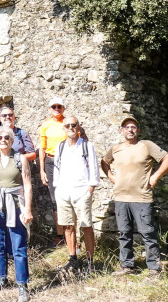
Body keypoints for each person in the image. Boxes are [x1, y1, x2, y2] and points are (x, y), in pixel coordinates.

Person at [102, 117, 168, 277]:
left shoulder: (147, 145)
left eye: (133, 127)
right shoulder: (116, 148)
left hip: (142, 198)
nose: (130, 129)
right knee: (124, 234)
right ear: (121, 130)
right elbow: (104, 162)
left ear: (138, 130)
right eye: (127, 127)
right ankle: (127, 266)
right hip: (121, 198)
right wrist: (112, 178)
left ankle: (154, 269)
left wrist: (155, 177)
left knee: (147, 233)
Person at [0, 127, 32, 301]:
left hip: (16, 206)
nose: (3, 139)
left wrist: (28, 209)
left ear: (12, 140)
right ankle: (1, 279)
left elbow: (27, 185)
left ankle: (22, 285)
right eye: (0, 137)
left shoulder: (20, 158)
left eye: (7, 137)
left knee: (18, 246)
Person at [54, 116, 99, 273]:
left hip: (82, 192)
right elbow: (57, 169)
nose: (71, 127)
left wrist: (90, 190)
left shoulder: (87, 146)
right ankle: (73, 259)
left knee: (86, 226)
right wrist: (57, 188)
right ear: (64, 128)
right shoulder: (59, 147)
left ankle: (90, 262)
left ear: (78, 127)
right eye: (67, 125)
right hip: (63, 192)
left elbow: (94, 168)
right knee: (68, 226)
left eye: (74, 125)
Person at [39, 97, 67, 245]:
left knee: (69, 196)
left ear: (63, 108)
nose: (57, 108)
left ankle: (71, 234)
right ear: (50, 109)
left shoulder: (68, 124)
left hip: (67, 161)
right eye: (54, 106)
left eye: (59, 106)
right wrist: (42, 170)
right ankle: (60, 235)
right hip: (50, 162)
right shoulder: (46, 126)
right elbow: (42, 149)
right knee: (54, 199)